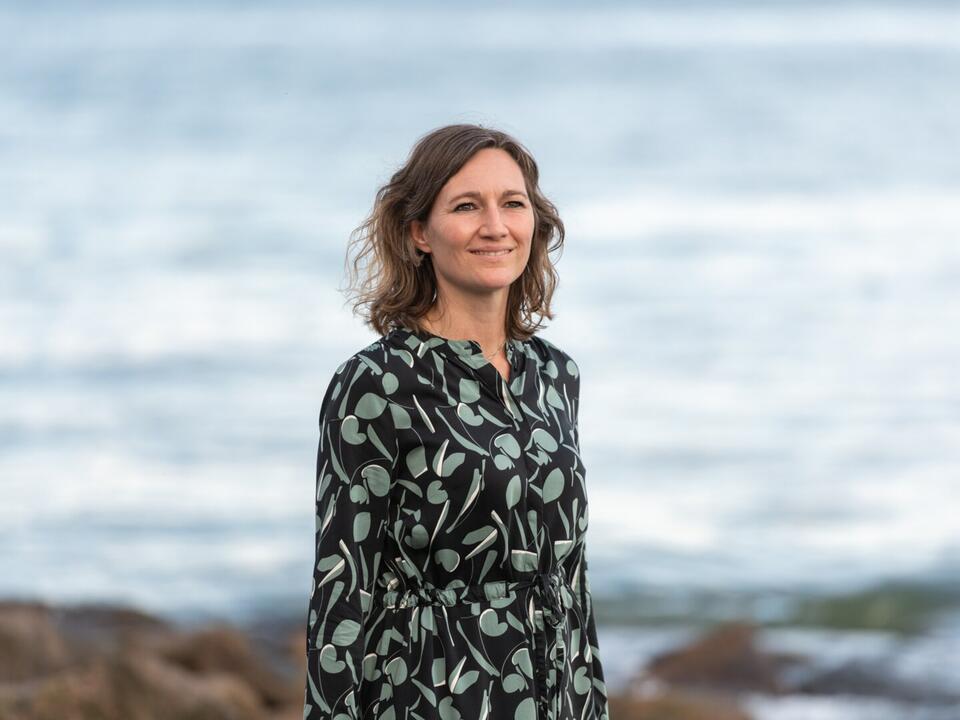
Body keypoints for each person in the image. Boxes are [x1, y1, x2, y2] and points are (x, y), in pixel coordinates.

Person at [303, 123, 609, 720]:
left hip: (554, 695)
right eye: (467, 206)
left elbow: (572, 579)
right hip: (431, 692)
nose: (495, 226)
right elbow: (342, 589)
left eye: (512, 204)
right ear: (419, 232)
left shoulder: (554, 375)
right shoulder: (377, 384)